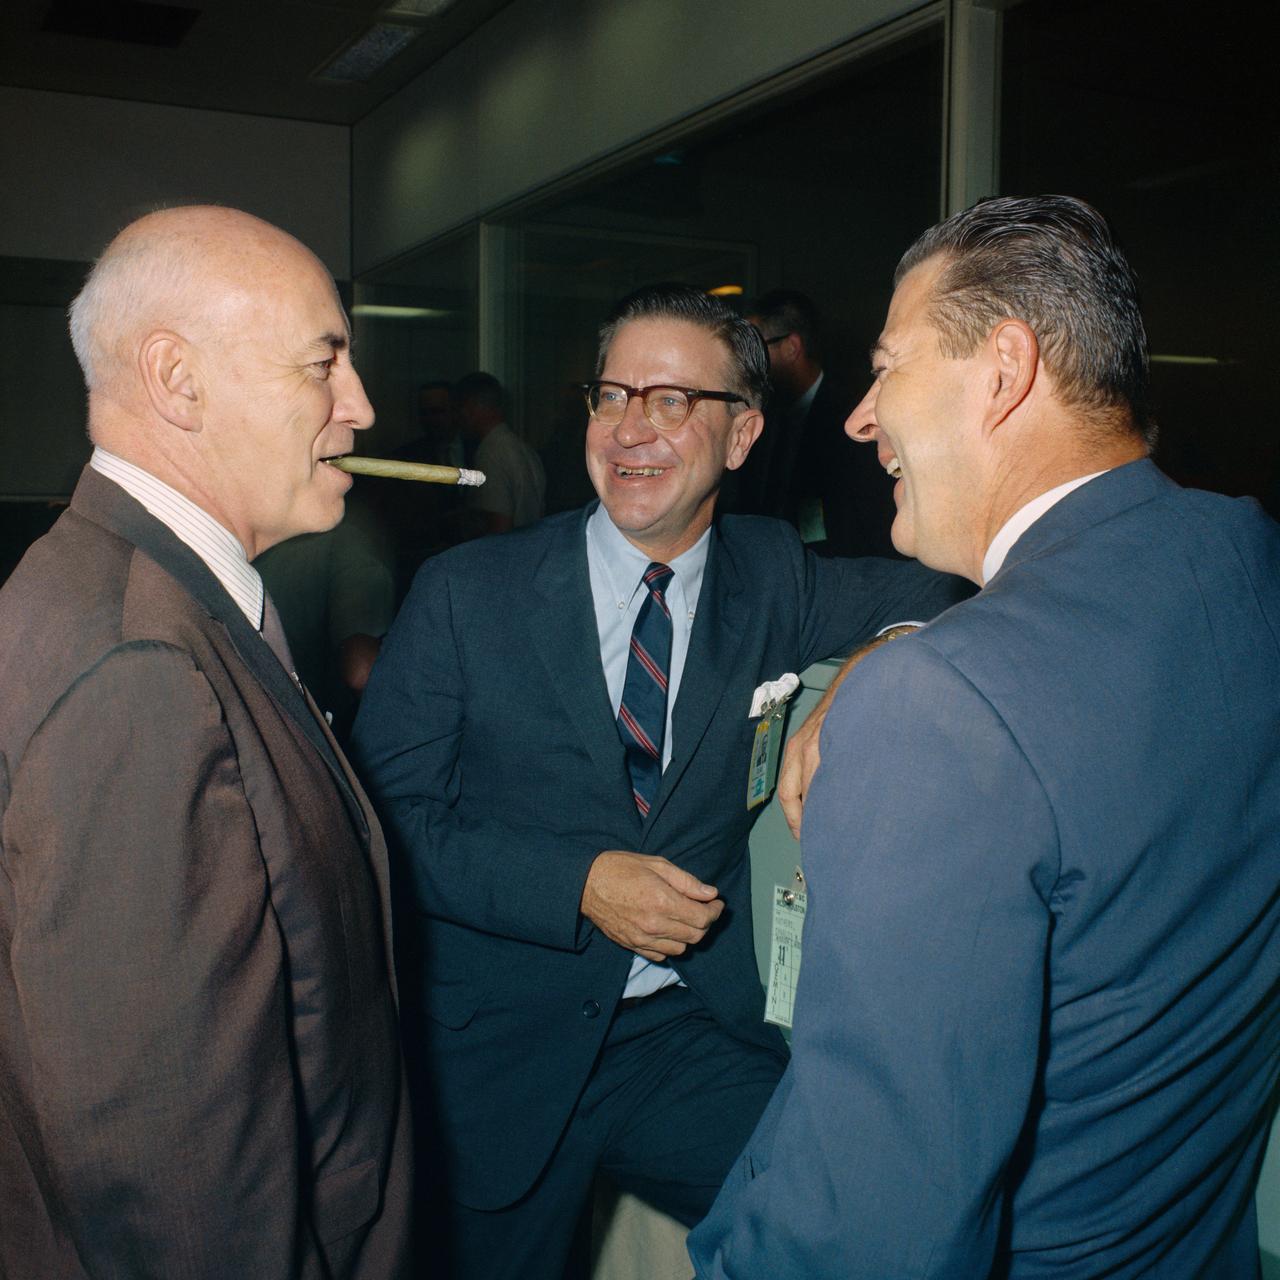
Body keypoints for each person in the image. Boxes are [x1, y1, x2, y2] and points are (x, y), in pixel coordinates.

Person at [689, 196, 1280, 1278]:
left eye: (887, 369)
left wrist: (920, 678)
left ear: (1003, 370)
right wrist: (914, 645)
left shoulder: (940, 710)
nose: (860, 418)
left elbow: (866, 1234)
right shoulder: (1242, 555)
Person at [350, 283, 969, 1280]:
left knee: (855, 1225)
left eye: (672, 400)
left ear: (742, 434)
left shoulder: (772, 572)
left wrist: (876, 656)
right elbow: (381, 824)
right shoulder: (468, 593)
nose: (631, 429)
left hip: (688, 1035)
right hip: (497, 1051)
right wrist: (579, 883)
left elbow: (948, 584)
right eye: (612, 395)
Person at [0, 206, 413, 1277]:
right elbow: (174, 1177)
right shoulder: (139, 667)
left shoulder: (122, 591)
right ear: (177, 380)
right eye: (323, 362)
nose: (360, 406)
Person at [723, 289, 897, 556]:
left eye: (755, 350)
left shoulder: (857, 420)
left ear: (791, 348)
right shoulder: (756, 420)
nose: (747, 366)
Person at [454, 370, 546, 534]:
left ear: (472, 406)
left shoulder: (492, 453)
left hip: (507, 548)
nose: (459, 416)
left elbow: (498, 525)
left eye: (460, 407)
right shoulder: (523, 449)